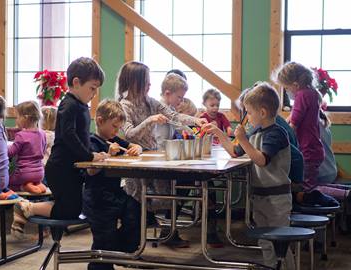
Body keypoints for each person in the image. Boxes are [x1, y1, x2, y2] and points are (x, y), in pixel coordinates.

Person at [12, 57, 108, 233]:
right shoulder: (69, 105)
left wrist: (94, 152)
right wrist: (89, 156)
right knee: (68, 210)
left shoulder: (81, 106)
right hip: (60, 168)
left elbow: (83, 137)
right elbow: (68, 135)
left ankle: (27, 208)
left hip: (71, 168)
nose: (94, 94)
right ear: (76, 82)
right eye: (92, 88)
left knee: (73, 208)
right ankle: (27, 207)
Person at [205, 82, 295, 269]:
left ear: (262, 113)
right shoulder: (255, 132)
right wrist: (219, 133)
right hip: (259, 195)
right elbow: (235, 151)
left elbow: (261, 160)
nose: (246, 117)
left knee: (280, 242)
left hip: (277, 197)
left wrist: (244, 140)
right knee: (264, 240)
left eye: (249, 112)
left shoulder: (276, 133)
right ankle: (272, 267)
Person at [116, 61, 206, 245]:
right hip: (135, 162)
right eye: (146, 81)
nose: (150, 85)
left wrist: (196, 121)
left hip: (151, 158)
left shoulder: (150, 102)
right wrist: (150, 120)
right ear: (135, 82)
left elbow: (174, 116)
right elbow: (129, 133)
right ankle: (131, 249)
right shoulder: (124, 105)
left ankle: (157, 235)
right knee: (135, 208)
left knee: (163, 199)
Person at [83, 99, 142, 270]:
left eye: (118, 128)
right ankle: (100, 264)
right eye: (114, 126)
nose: (117, 131)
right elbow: (90, 171)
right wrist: (107, 156)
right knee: (104, 238)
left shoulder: (113, 138)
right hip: (97, 198)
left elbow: (134, 145)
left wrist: (136, 148)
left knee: (135, 209)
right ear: (100, 121)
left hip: (116, 194)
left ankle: (121, 251)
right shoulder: (91, 142)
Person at [273, 62, 324, 193]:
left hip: (307, 150)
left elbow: (292, 125)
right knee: (309, 186)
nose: (286, 91)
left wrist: (277, 136)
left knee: (305, 191)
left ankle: (343, 194)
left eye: (286, 88)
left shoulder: (301, 96)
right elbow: (292, 118)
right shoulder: (311, 93)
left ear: (295, 85)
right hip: (313, 148)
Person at [7, 101, 47, 194]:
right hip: (40, 173)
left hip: (24, 174)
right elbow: (43, 150)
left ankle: (24, 186)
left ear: (25, 118)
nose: (16, 120)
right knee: (33, 179)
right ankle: (37, 184)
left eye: (17, 117)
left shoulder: (21, 135)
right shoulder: (42, 133)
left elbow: (11, 152)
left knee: (7, 182)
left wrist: (0, 148)